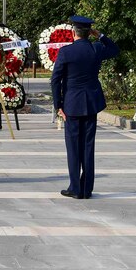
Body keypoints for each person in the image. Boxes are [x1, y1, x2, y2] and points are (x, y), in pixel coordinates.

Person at [51, 15, 119, 199]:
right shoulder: (96, 48)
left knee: (73, 147)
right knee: (88, 147)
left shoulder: (66, 52)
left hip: (71, 104)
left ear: (73, 32)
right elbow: (114, 49)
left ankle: (75, 188)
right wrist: (101, 35)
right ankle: (86, 188)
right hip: (90, 104)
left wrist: (58, 105)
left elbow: (56, 80)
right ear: (89, 32)